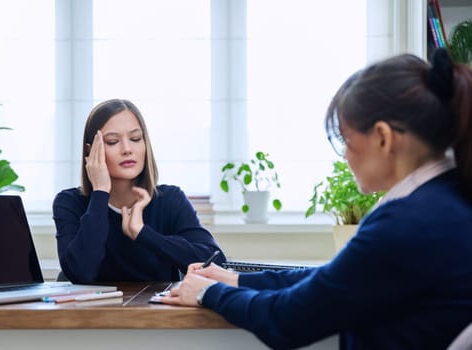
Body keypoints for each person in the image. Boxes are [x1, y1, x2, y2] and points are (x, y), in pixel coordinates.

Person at [160, 49, 472, 349]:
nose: (346, 157)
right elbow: (333, 279)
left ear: (382, 137)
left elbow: (288, 320)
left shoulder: (406, 223)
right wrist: (235, 280)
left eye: (346, 141)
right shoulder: (446, 200)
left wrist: (209, 293)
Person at [52, 99, 226, 283]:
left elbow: (215, 264)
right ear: (92, 151)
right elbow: (80, 272)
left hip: (157, 310)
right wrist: (100, 192)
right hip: (94, 311)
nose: (127, 149)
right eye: (112, 141)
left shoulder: (170, 199)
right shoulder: (69, 202)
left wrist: (144, 234)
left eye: (135, 139)